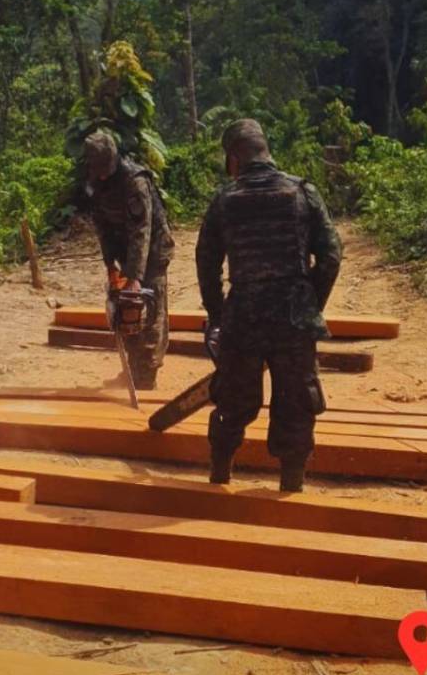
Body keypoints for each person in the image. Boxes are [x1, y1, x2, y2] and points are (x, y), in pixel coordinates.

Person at [195, 119, 342, 492]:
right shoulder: (302, 192)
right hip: (293, 320)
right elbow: (331, 255)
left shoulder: (225, 200)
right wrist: (310, 304)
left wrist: (217, 315)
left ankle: (219, 478)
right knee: (296, 405)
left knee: (233, 401)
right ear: (265, 150)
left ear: (233, 158)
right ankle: (291, 487)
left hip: (242, 319)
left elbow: (207, 261)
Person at [80, 131, 174, 389]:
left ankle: (149, 372)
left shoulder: (135, 182)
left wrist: (134, 277)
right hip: (124, 252)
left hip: (152, 251)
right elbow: (103, 228)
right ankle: (134, 369)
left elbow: (140, 232)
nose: (100, 174)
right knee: (126, 312)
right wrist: (111, 265)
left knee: (149, 308)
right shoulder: (96, 184)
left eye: (104, 168)